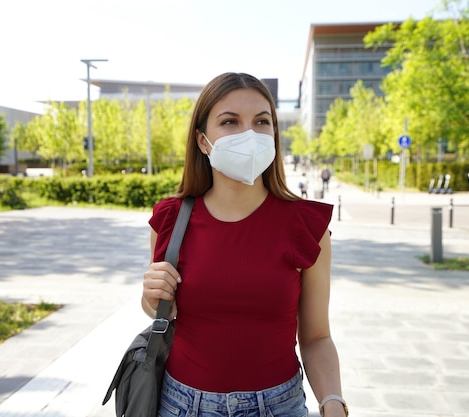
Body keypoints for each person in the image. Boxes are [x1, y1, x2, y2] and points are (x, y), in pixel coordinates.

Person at [142, 72, 348, 417]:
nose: (249, 134)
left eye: (261, 121)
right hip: (182, 406)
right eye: (230, 121)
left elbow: (316, 337)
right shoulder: (171, 219)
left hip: (279, 407)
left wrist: (332, 402)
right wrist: (152, 300)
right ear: (203, 141)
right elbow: (164, 312)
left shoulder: (306, 227)